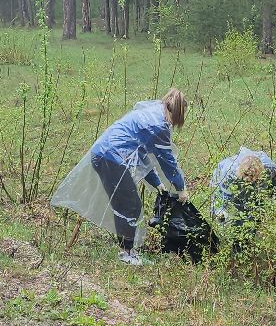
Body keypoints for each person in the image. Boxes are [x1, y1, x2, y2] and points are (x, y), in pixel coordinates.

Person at [50, 88, 189, 266]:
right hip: (112, 158)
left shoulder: (151, 114)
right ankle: (127, 254)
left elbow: (142, 155)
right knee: (130, 206)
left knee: (123, 204)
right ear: (177, 112)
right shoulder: (159, 125)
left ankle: (127, 249)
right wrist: (181, 188)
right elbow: (167, 161)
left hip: (104, 154)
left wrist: (157, 184)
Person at [209, 147, 276, 249]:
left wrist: (274, 196)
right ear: (241, 170)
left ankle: (247, 241)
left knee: (256, 210)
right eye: (246, 174)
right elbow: (222, 196)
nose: (249, 179)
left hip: (258, 183)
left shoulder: (270, 169)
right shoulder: (229, 174)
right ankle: (236, 244)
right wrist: (221, 211)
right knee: (238, 210)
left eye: (252, 175)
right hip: (234, 181)